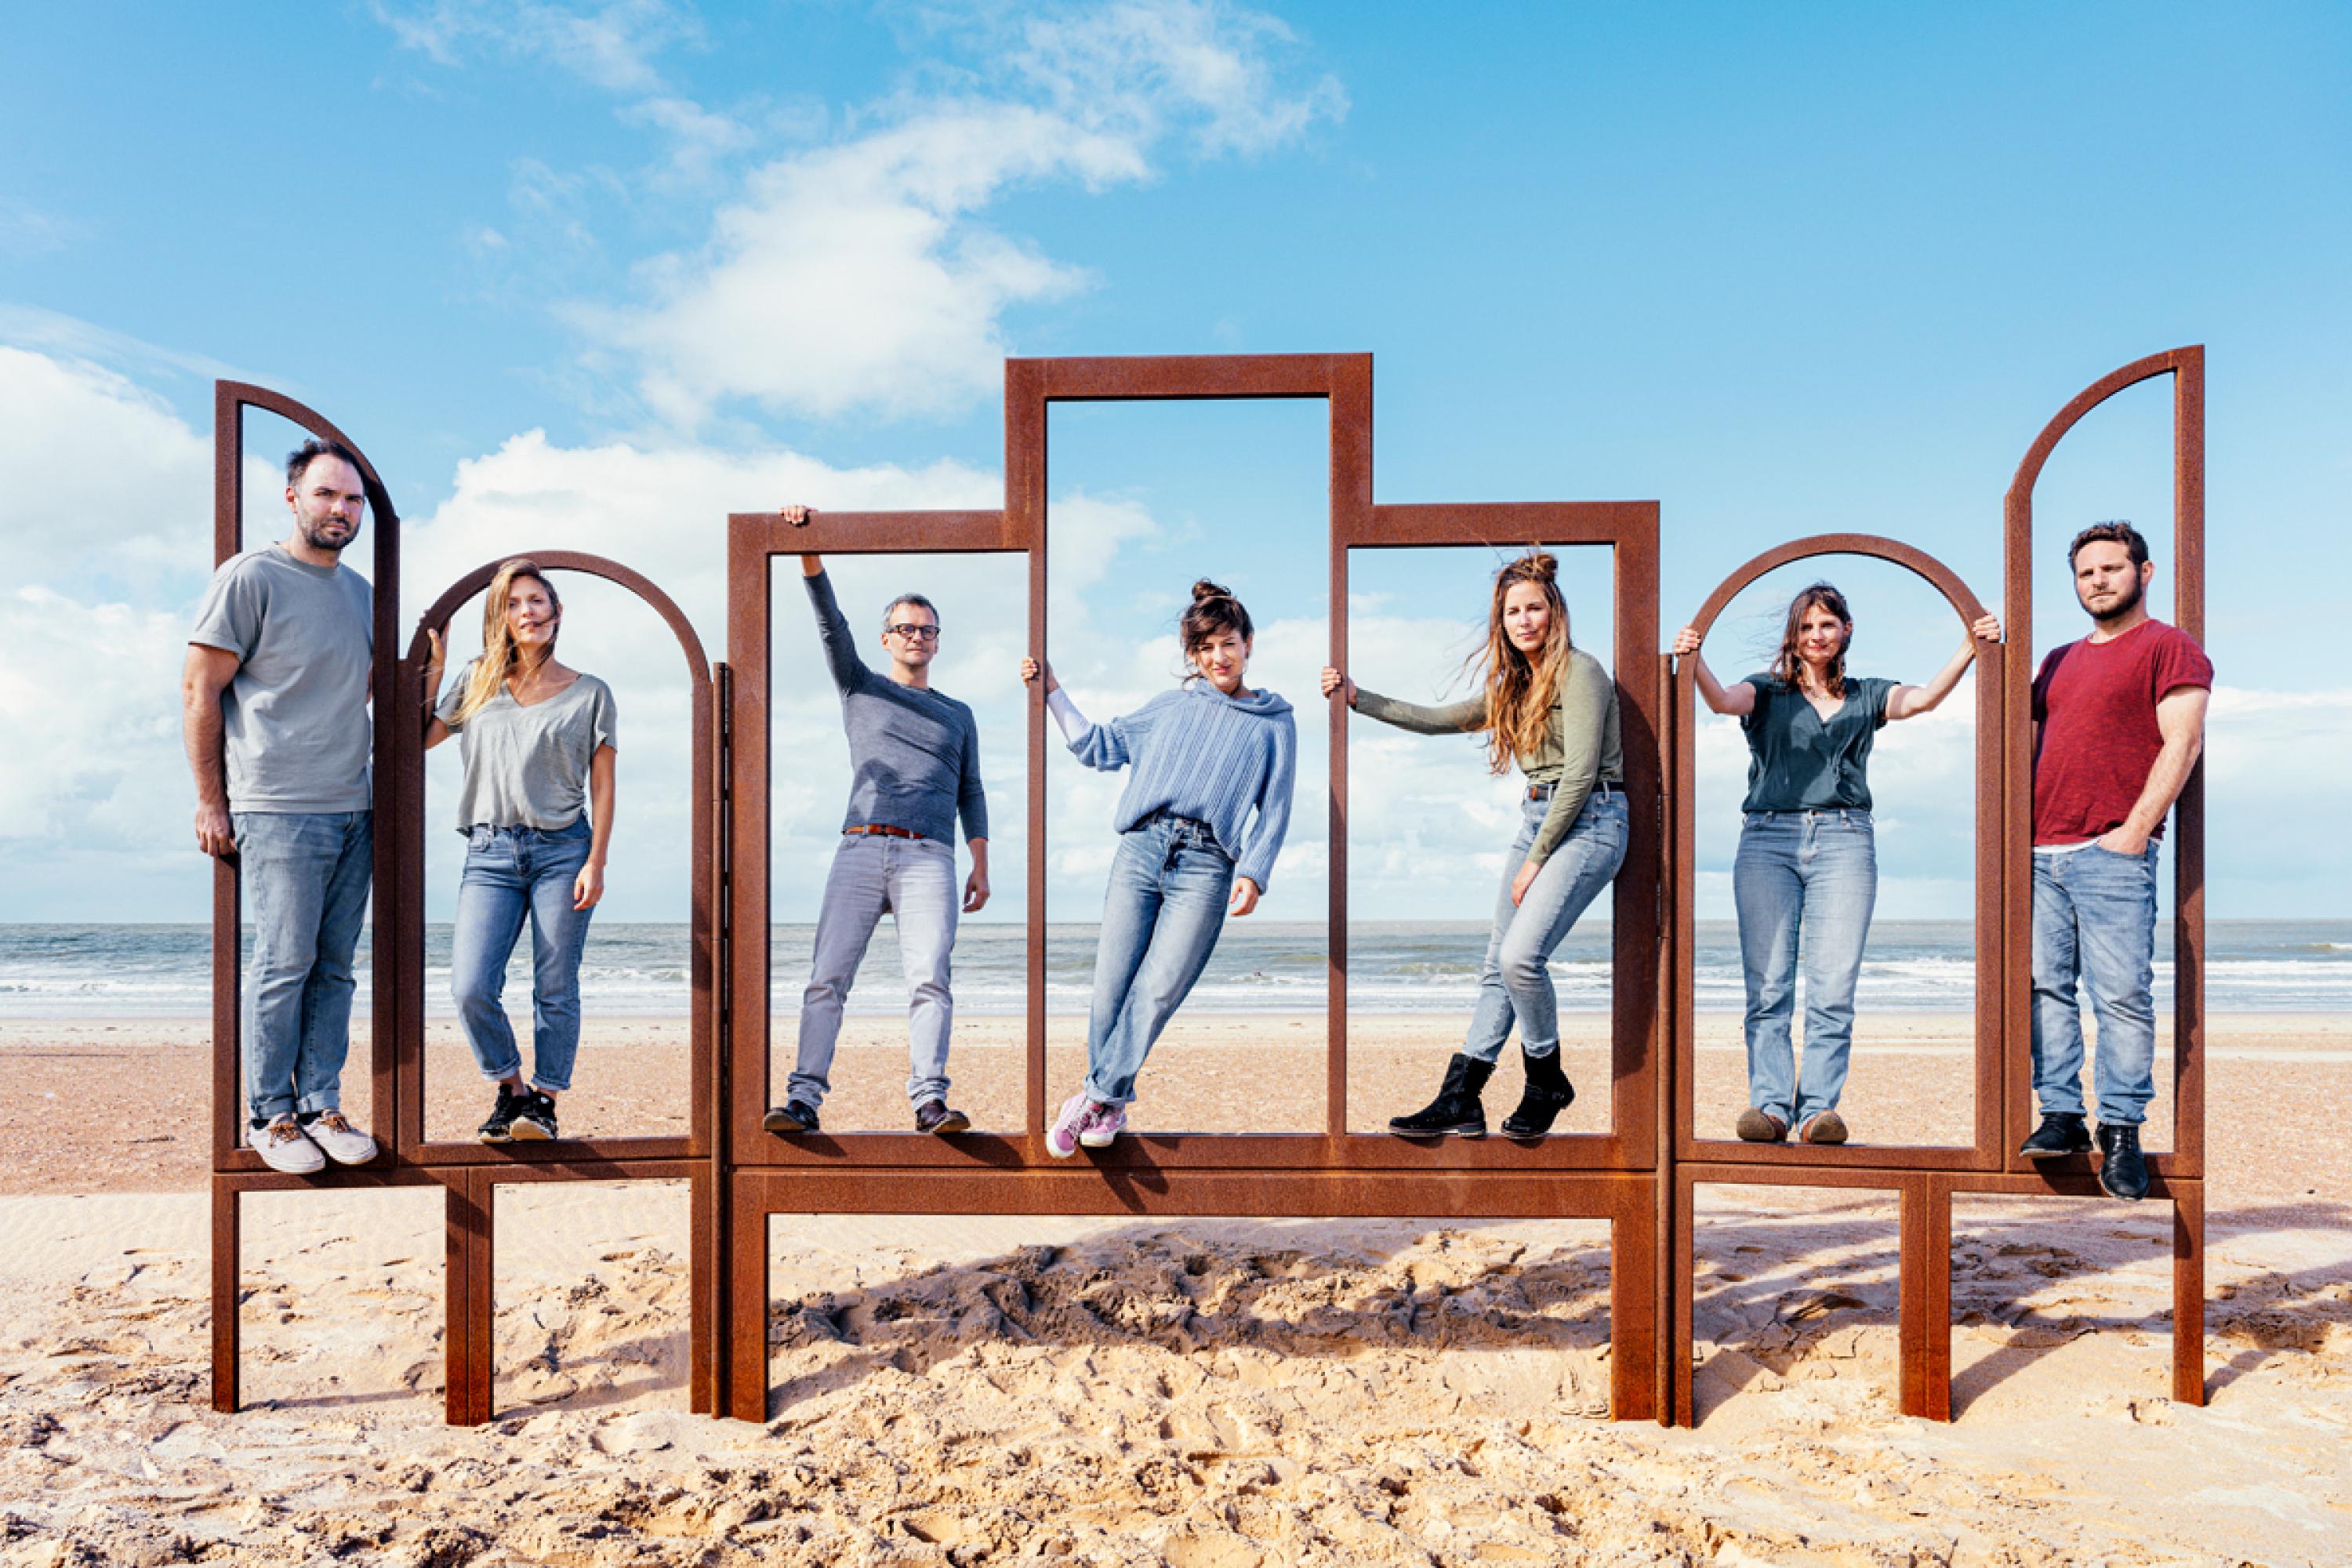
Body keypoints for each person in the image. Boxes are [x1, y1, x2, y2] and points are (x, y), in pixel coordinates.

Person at [1674, 583, 1999, 1145]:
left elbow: (1921, 700)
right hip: (1766, 839)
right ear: (1793, 638)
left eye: (1827, 625)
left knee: (1832, 986)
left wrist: (1970, 648)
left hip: (1845, 841)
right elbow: (1721, 702)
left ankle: (1818, 1111)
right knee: (1769, 984)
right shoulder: (1767, 692)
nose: (1816, 636)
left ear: (1846, 630)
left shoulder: (1867, 695)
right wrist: (1693, 658)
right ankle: (1772, 1107)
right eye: (1805, 627)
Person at [1323, 550, 1627, 1139]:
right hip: (1536, 816)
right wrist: (1360, 698)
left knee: (1520, 958)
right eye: (1513, 611)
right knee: (1497, 966)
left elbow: (1583, 773)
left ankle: (1547, 1080)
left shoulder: (1581, 672)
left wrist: (1537, 858)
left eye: (1534, 607)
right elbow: (1440, 719)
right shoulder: (1515, 685)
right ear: (1501, 621)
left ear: (1555, 611)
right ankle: (1462, 1096)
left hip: (1592, 818)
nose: (1524, 620)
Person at [1023, 580, 1296, 1156]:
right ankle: (1110, 1104)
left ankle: (1092, 1097)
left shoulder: (1274, 721)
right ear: (1193, 657)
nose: (1218, 657)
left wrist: (1255, 872)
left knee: (1160, 987)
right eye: (1206, 649)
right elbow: (1098, 746)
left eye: (1228, 644)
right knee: (1111, 988)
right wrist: (1052, 690)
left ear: (1249, 644)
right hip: (1142, 849)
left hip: (1207, 863)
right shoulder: (1170, 707)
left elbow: (1275, 807)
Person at [183, 439, 382, 1174]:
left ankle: (320, 1105)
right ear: (294, 497)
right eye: (328, 495)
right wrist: (211, 800)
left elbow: (358, 694)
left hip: (353, 807)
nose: (341, 509)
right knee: (284, 962)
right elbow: (200, 689)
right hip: (276, 806)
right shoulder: (250, 577)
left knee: (334, 967)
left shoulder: (362, 594)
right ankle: (270, 1114)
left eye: (352, 500)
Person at [764, 505, 989, 1137]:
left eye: (927, 630)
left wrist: (982, 862)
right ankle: (803, 1099)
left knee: (929, 981)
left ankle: (929, 1101)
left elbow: (971, 788)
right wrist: (809, 553)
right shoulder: (860, 686)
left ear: (937, 641)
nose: (917, 637)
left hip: (930, 856)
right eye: (905, 628)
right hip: (861, 848)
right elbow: (830, 628)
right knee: (827, 979)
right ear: (887, 637)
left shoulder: (957, 712)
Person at [2020, 522, 2210, 1201]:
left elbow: (2182, 743)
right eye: (2085, 573)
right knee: (2044, 990)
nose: (2097, 581)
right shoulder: (2058, 658)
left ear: (2144, 572)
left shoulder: (2169, 647)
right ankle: (2063, 1116)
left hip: (2112, 852)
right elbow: (2030, 742)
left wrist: (2134, 832)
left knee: (2122, 996)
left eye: (2110, 569)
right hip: (2040, 852)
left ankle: (2122, 1130)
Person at [421, 560, 617, 1142]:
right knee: (471, 986)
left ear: (557, 614)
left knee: (555, 984)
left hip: (564, 851)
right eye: (513, 604)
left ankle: (547, 1099)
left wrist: (596, 862)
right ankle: (511, 1089)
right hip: (489, 852)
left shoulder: (590, 692)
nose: (526, 612)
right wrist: (433, 675)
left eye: (536, 601)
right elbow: (418, 738)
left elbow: (603, 784)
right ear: (500, 618)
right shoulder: (477, 679)